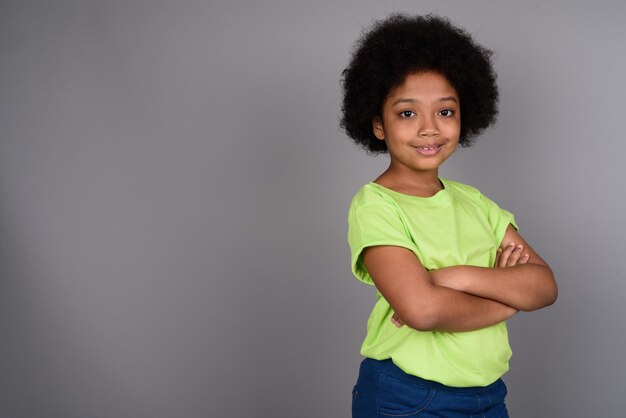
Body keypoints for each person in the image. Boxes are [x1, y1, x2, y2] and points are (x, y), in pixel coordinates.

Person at [342, 14, 558, 417]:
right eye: (407, 113)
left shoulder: (475, 202)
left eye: (445, 112)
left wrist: (452, 278)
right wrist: (506, 300)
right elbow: (423, 311)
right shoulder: (375, 205)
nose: (429, 129)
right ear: (377, 124)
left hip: (488, 396)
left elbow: (544, 286)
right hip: (408, 397)